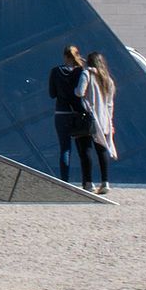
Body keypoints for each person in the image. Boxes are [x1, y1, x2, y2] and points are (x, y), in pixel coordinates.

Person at [48, 44, 96, 190]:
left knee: (65, 149)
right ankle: (87, 182)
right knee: (83, 149)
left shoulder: (55, 71)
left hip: (61, 114)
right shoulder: (81, 71)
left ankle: (65, 182)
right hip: (77, 114)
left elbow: (52, 94)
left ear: (64, 56)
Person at [85, 52, 119, 195]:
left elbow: (79, 92)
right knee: (102, 150)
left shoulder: (88, 74)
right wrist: (110, 123)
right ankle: (105, 182)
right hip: (104, 119)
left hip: (90, 118)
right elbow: (110, 104)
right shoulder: (108, 80)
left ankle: (89, 182)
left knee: (86, 149)